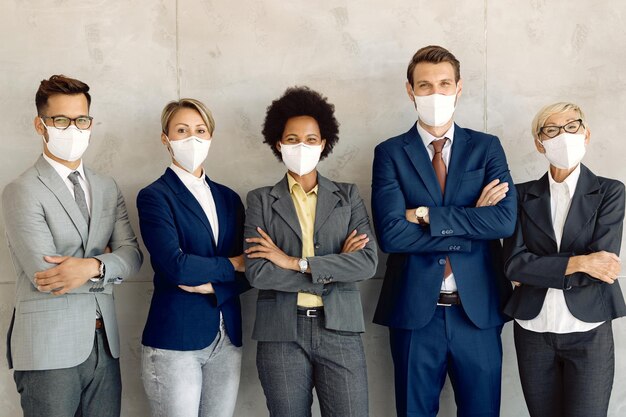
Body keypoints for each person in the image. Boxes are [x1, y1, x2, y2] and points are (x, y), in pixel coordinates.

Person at [371, 45, 516, 417]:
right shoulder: (389, 153)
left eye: (444, 84)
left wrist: (422, 214)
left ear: (459, 87)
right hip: (415, 313)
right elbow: (391, 235)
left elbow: (503, 221)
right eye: (424, 85)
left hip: (478, 311)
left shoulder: (486, 148)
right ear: (410, 90)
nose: (435, 93)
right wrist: (471, 219)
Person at [1, 74, 143, 417]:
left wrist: (93, 267)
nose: (73, 129)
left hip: (104, 346)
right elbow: (49, 276)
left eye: (81, 120)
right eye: (61, 121)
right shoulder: (22, 190)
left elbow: (133, 255)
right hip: (48, 347)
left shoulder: (107, 187)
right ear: (40, 125)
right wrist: (109, 267)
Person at [244, 86, 378, 417]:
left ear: (324, 143)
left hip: (341, 330)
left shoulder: (347, 197)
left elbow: (366, 263)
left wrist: (293, 263)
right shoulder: (260, 199)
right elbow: (259, 272)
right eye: (291, 139)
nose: (301, 146)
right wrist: (331, 270)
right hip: (280, 334)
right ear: (278, 143)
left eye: (310, 138)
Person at [503, 102, 626, 417]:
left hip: (589, 329)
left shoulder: (610, 192)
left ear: (585, 134)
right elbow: (514, 265)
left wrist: (539, 268)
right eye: (552, 130)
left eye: (572, 126)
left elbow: (604, 267)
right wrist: (582, 262)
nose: (564, 136)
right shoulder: (520, 195)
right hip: (533, 329)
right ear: (539, 142)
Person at [136, 98, 248, 417]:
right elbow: (177, 266)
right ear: (166, 139)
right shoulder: (155, 196)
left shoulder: (229, 198)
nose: (193, 139)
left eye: (200, 130)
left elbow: (254, 267)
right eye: (182, 130)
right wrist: (232, 264)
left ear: (211, 136)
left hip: (227, 338)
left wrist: (216, 286)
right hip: (175, 339)